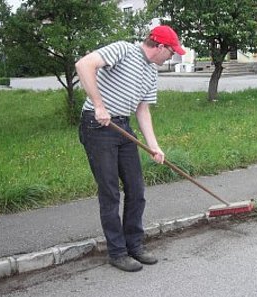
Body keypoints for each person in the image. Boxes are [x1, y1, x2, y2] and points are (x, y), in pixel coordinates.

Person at [76, 25, 186, 272]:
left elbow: (142, 110)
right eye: (172, 52)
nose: (172, 56)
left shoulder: (151, 72)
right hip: (97, 125)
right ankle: (117, 252)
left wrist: (154, 146)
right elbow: (84, 65)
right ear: (160, 47)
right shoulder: (124, 50)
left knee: (136, 189)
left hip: (123, 125)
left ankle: (134, 245)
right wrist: (99, 105)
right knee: (111, 193)